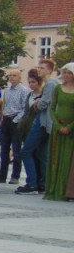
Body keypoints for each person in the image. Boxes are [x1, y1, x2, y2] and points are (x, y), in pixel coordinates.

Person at [44, 62, 74, 201]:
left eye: (69, 73)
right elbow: (51, 108)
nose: (67, 75)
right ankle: (53, 189)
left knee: (67, 161)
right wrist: (57, 125)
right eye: (65, 72)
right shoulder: (58, 88)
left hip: (70, 131)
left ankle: (65, 191)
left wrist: (68, 127)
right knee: (55, 159)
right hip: (58, 129)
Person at [0, 69, 30, 185]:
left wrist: (16, 120)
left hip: (16, 120)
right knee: (4, 149)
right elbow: (5, 106)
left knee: (16, 149)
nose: (12, 77)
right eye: (10, 75)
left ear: (19, 77)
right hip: (6, 119)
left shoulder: (24, 91)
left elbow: (24, 108)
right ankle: (2, 175)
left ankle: (15, 176)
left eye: (15, 75)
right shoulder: (6, 91)